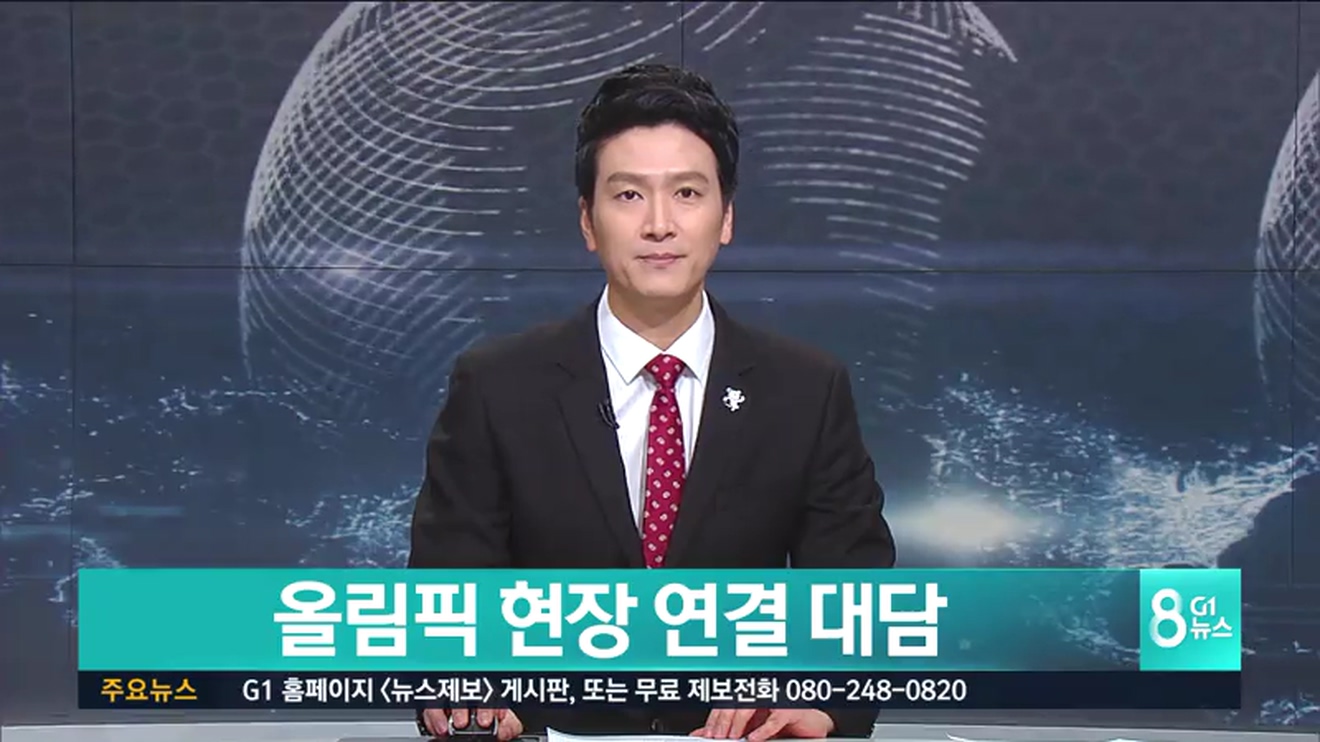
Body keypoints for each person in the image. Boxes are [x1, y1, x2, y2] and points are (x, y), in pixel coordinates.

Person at [409, 63, 896, 741]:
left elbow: (852, 602)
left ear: (726, 217)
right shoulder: (497, 386)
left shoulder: (805, 390)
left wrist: (814, 702)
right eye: (629, 195)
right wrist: (470, 699)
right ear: (588, 220)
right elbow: (449, 601)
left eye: (688, 193)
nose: (660, 225)